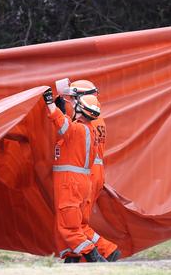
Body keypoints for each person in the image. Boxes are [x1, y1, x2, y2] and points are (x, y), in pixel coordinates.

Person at [43, 88, 107, 262]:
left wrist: (50, 104)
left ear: (81, 109)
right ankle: (73, 258)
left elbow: (62, 125)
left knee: (68, 226)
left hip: (70, 183)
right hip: (80, 182)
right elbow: (67, 129)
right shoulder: (88, 130)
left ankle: (94, 256)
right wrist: (63, 111)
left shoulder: (78, 130)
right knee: (74, 223)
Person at [59, 80, 120, 262]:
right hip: (94, 171)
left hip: (86, 172)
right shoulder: (96, 116)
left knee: (76, 221)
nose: (71, 101)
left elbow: (67, 130)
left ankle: (105, 251)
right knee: (77, 220)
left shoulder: (84, 120)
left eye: (73, 98)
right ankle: (76, 254)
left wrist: (58, 110)